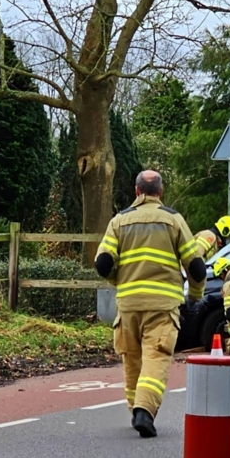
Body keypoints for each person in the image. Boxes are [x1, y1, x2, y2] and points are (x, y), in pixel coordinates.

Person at [95, 170, 207, 438]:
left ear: (136, 192)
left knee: (132, 360)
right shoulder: (173, 220)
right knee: (156, 358)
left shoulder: (118, 221)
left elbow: (103, 263)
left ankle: (136, 408)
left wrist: (118, 280)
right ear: (161, 191)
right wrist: (195, 294)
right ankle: (144, 410)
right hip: (162, 304)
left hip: (129, 304)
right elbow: (195, 265)